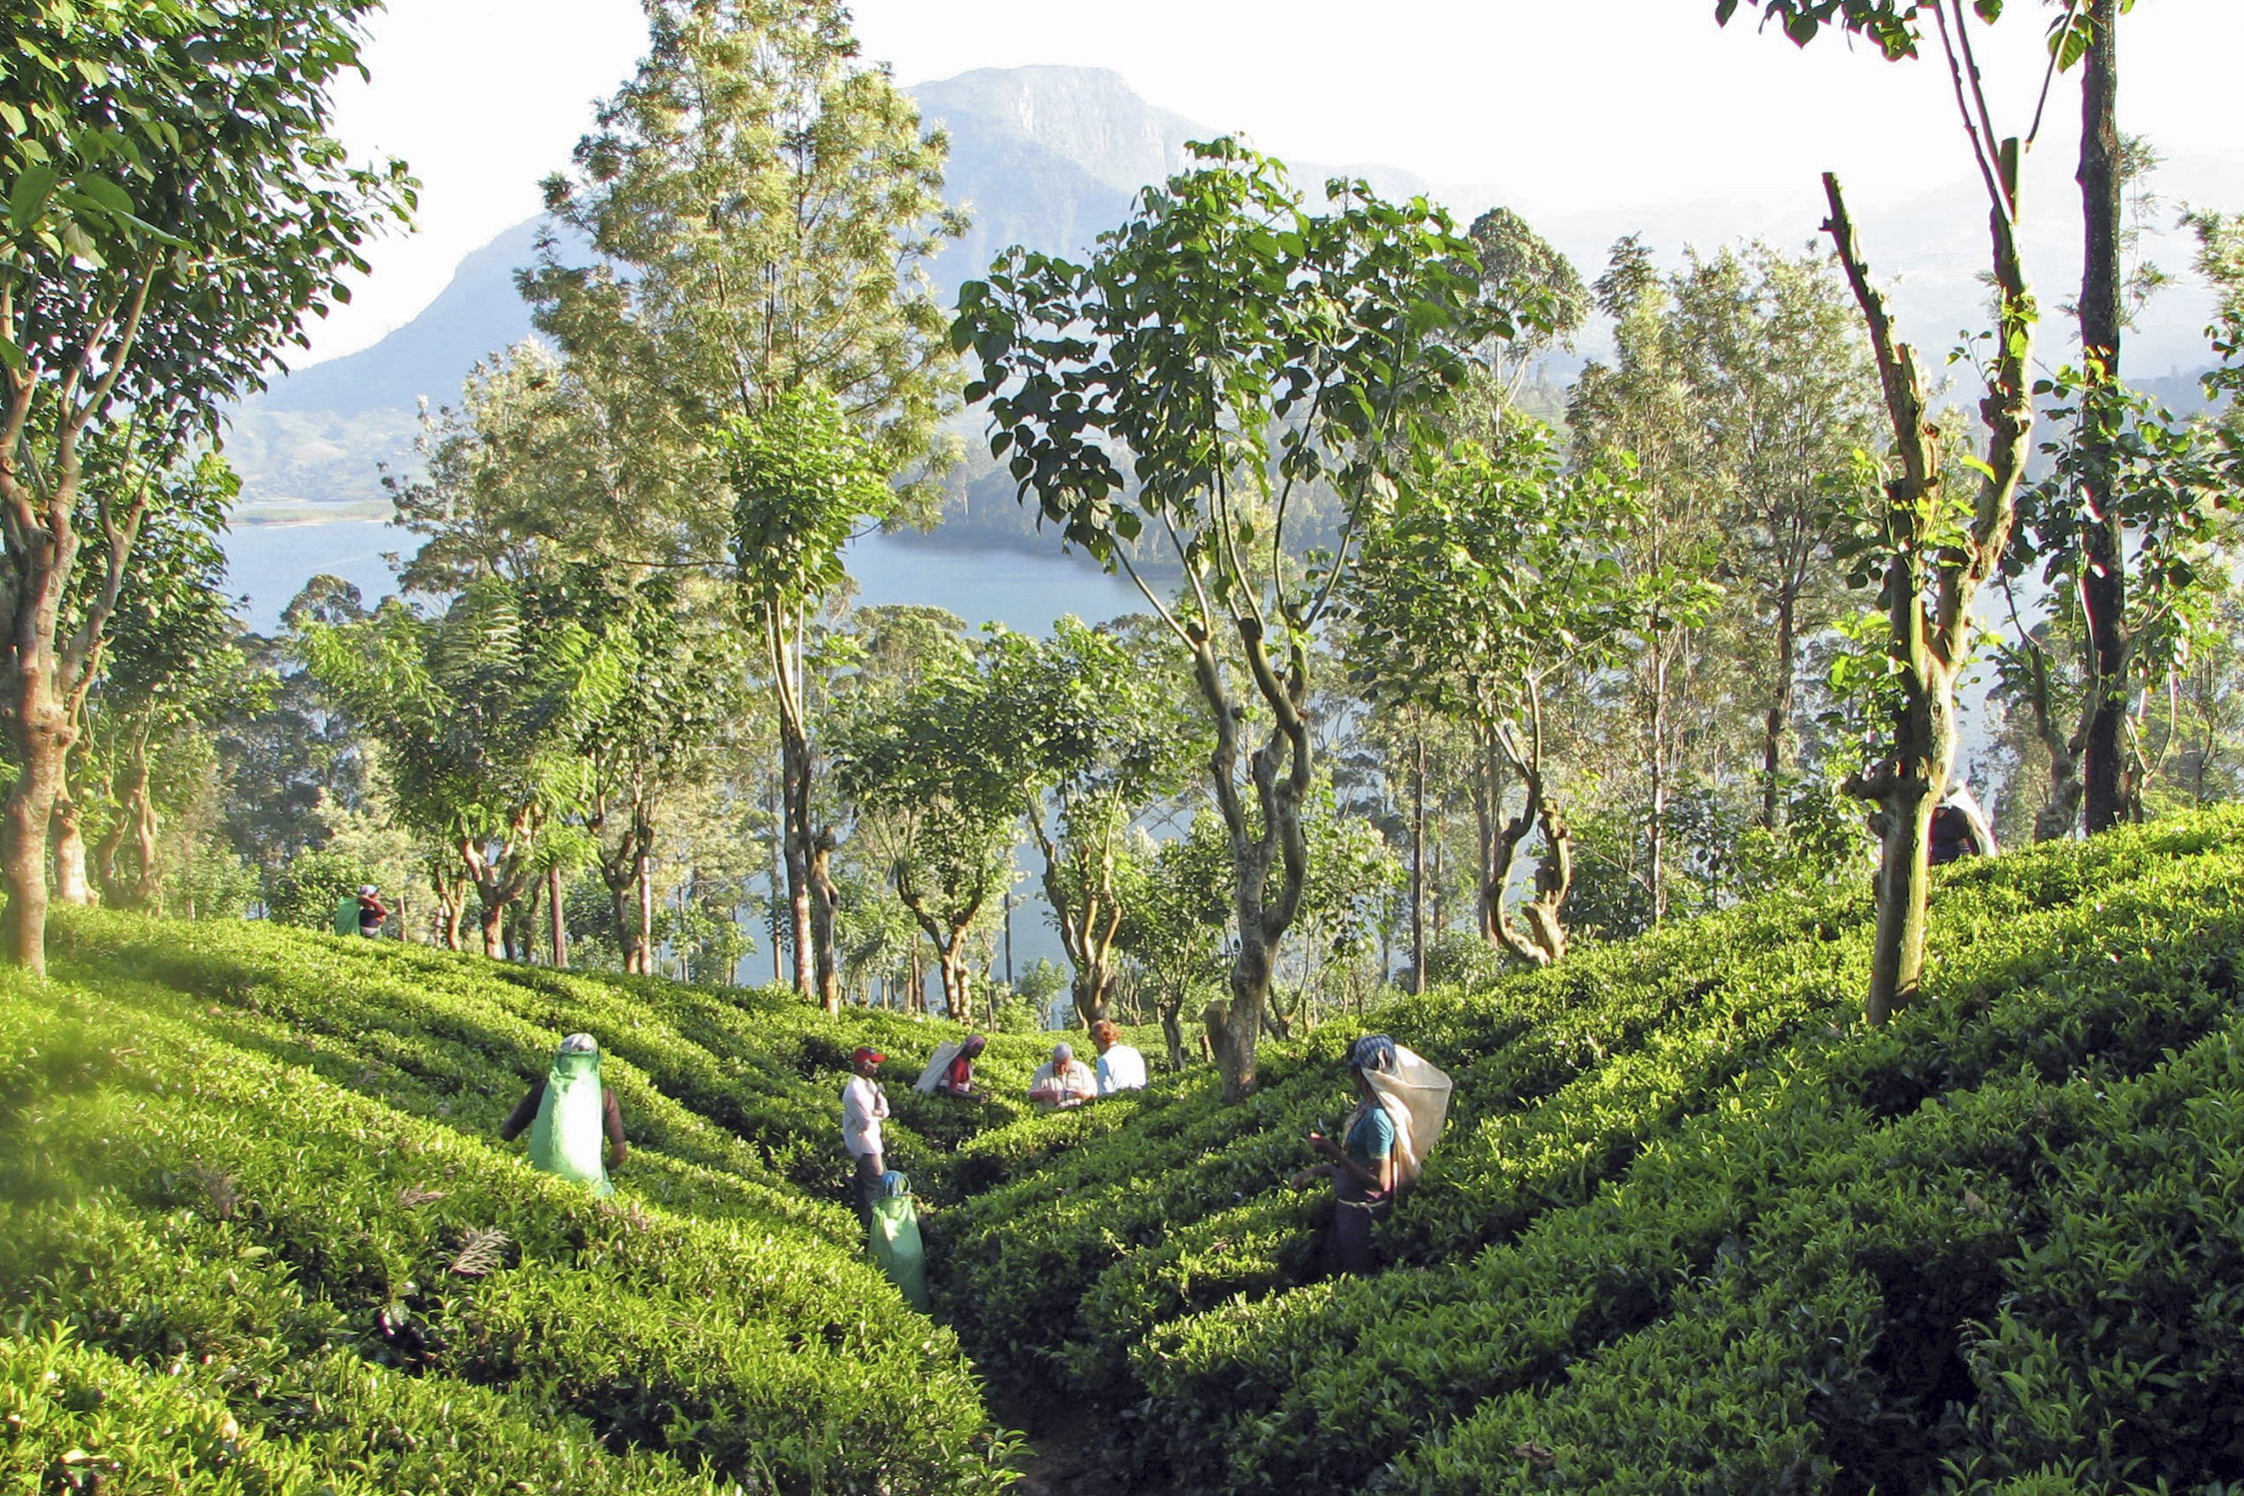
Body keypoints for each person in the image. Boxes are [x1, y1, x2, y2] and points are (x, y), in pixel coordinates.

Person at [1287, 1034, 1453, 1275]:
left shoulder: (1377, 1119)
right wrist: (1318, 1171)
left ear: (1359, 1072)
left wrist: (1331, 1150)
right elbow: (1357, 1160)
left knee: (1359, 1276)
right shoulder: (1366, 1106)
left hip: (1363, 1218)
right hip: (1350, 1210)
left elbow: (1381, 1181)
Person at [500, 1033, 626, 1197]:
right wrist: (607, 1168)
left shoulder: (543, 1090)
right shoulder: (605, 1097)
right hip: (586, 1187)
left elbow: (507, 1134)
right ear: (594, 1062)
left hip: (539, 1183)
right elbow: (620, 1154)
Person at [841, 1046, 891, 1225]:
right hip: (864, 1146)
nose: (877, 1066)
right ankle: (874, 1230)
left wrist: (877, 1109)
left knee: (868, 1188)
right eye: (874, 1062)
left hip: (873, 1143)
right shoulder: (854, 1091)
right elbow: (866, 1122)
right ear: (864, 1064)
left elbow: (885, 1111)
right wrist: (877, 1111)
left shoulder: (869, 1085)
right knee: (875, 1189)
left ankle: (866, 1226)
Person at [1928, 782, 1997, 866]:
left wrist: (1978, 861)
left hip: (1959, 860)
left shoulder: (1958, 815)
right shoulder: (1930, 820)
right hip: (1939, 860)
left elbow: (1973, 838)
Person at [1027, 1042, 1097, 1109]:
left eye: (1064, 1066)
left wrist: (1083, 1094)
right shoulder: (1041, 1071)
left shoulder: (1081, 1069)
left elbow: (1094, 1093)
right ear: (1053, 1059)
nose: (1061, 1069)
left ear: (1071, 1059)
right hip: (1050, 1115)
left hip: (1077, 1113)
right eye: (1057, 1065)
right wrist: (1045, 1094)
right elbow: (1031, 1096)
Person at [1090, 1020, 1147, 1096]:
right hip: (1140, 1096)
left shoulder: (1104, 1060)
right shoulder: (1133, 1052)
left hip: (1119, 1099)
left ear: (1097, 1038)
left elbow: (1105, 1092)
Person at [936, 1033, 988, 1097]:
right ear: (970, 1047)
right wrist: (974, 1098)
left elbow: (965, 1082)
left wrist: (983, 1092)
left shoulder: (967, 1061)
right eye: (978, 1049)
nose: (980, 1053)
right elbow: (951, 1090)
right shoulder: (959, 1063)